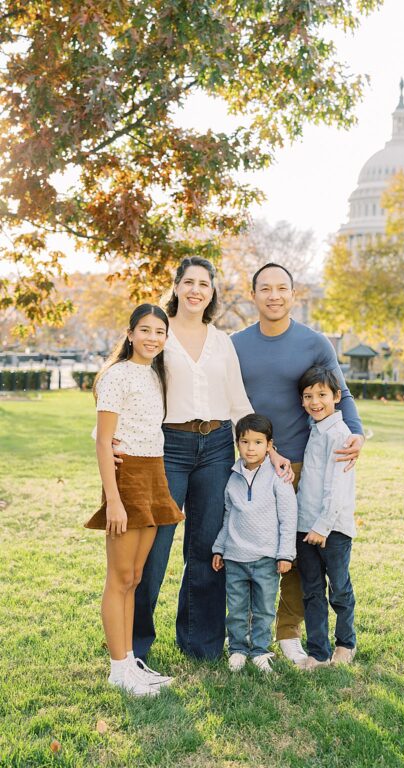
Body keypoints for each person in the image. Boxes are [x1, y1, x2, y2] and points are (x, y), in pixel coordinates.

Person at [133, 256, 275, 662]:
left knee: (208, 546)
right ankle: (137, 642)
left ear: (212, 292)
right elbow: (134, 385)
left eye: (204, 284)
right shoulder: (159, 332)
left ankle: (200, 642)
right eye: (189, 282)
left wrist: (269, 448)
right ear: (176, 286)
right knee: (154, 546)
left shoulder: (221, 340)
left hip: (215, 446)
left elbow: (238, 402)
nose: (196, 290)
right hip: (169, 446)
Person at [232, 263, 365, 665]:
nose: (274, 295)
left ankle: (288, 633)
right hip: (249, 464)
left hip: (299, 466)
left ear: (294, 294)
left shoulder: (314, 342)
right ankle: (241, 634)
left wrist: (356, 433)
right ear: (252, 295)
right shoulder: (234, 344)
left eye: (282, 289)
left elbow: (343, 394)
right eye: (265, 289)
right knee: (246, 550)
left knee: (291, 552)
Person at [86, 304, 184, 696]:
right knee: (119, 577)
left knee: (136, 577)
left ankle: (130, 663)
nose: (152, 338)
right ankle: (117, 670)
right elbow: (103, 439)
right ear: (129, 334)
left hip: (154, 474)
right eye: (145, 330)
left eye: (160, 332)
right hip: (126, 482)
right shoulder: (116, 376)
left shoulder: (154, 376)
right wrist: (113, 499)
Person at [212, 413, 298, 673]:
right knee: (236, 608)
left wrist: (286, 554)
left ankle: (260, 650)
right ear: (237, 443)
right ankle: (238, 649)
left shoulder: (278, 477)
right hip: (236, 558)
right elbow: (228, 517)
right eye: (245, 441)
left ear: (269, 445)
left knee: (263, 609)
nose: (251, 448)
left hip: (266, 559)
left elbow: (288, 517)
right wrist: (219, 547)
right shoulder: (232, 477)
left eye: (258, 442)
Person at [293, 366, 358, 668]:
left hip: (333, 530)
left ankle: (346, 643)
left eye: (322, 395)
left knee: (339, 589)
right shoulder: (314, 428)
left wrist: (323, 527)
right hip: (305, 528)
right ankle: (317, 651)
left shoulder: (340, 435)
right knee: (312, 591)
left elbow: (338, 487)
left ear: (336, 397)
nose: (314, 402)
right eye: (308, 396)